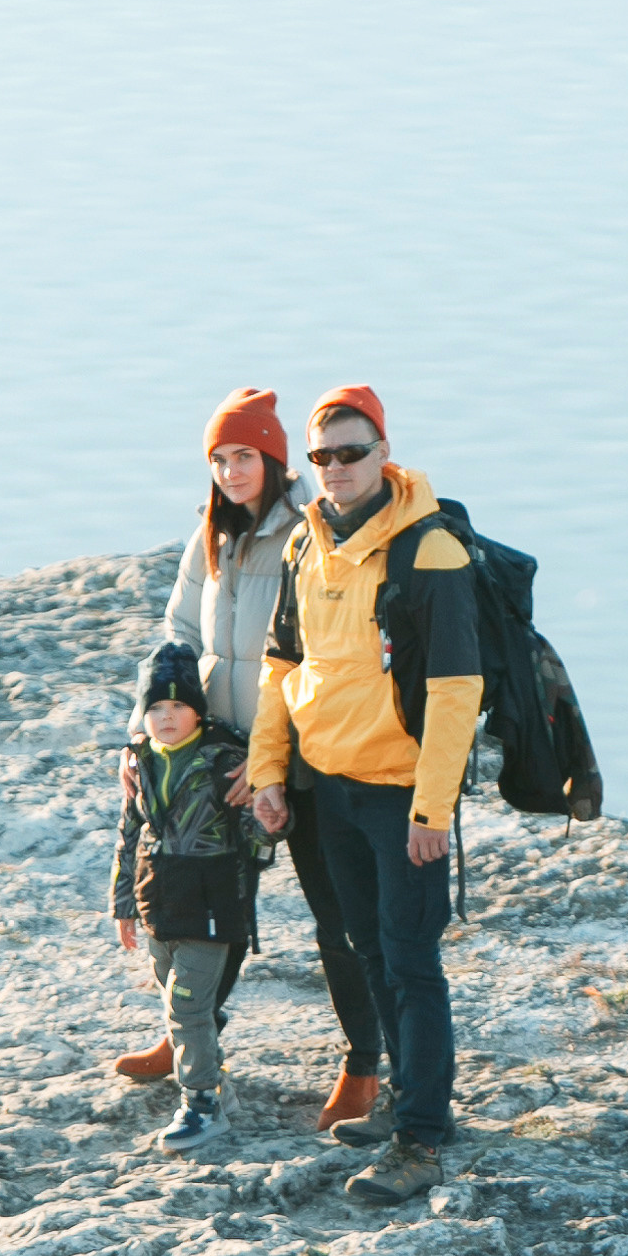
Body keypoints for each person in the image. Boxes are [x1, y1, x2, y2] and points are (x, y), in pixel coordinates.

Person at [118, 388, 381, 1132]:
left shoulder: (307, 532)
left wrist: (268, 760)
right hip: (214, 757)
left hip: (301, 759)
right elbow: (174, 639)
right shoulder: (208, 537)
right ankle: (187, 1036)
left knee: (338, 918)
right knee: (207, 906)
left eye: (244, 456)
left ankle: (364, 1065)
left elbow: (319, 656)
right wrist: (145, 736)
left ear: (273, 458)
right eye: (218, 459)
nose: (230, 472)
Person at [248, 388, 482, 1207]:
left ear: (383, 451)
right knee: (368, 949)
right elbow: (283, 665)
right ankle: (401, 1103)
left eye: (351, 453)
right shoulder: (306, 544)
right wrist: (270, 772)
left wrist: (431, 809)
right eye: (322, 458)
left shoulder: (430, 551)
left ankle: (420, 1139)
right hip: (327, 787)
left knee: (412, 962)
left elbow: (456, 689)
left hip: (397, 793)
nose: (337, 470)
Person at [109, 639, 266, 1155]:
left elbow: (261, 835)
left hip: (212, 906)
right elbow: (129, 834)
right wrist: (124, 906)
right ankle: (218, 1084)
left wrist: (271, 813)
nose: (167, 717)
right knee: (176, 1002)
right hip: (160, 905)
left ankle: (201, 1104)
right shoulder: (140, 763)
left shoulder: (226, 761)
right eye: (155, 707)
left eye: (178, 706)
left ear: (198, 710)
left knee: (187, 1008)